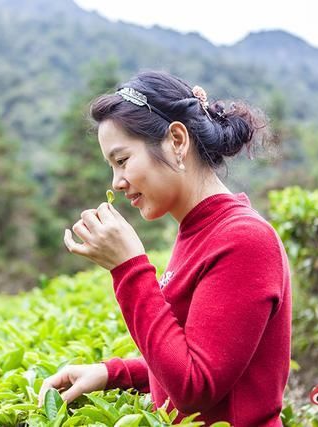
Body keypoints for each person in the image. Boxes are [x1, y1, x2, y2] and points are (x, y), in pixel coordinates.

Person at [37, 70, 292, 427]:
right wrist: (113, 373)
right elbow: (203, 358)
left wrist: (128, 269)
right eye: (111, 166)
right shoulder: (199, 230)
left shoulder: (244, 239)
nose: (117, 182)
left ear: (176, 139)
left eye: (122, 160)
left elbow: (195, 386)